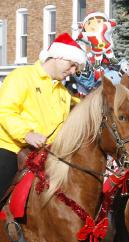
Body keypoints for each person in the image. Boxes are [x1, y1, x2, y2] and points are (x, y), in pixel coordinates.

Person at [0, 32, 85, 199]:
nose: (73, 71)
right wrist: (26, 134)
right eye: (72, 64)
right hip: (11, 148)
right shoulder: (22, 76)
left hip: (45, 155)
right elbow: (5, 110)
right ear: (58, 57)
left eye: (76, 67)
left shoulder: (63, 92)